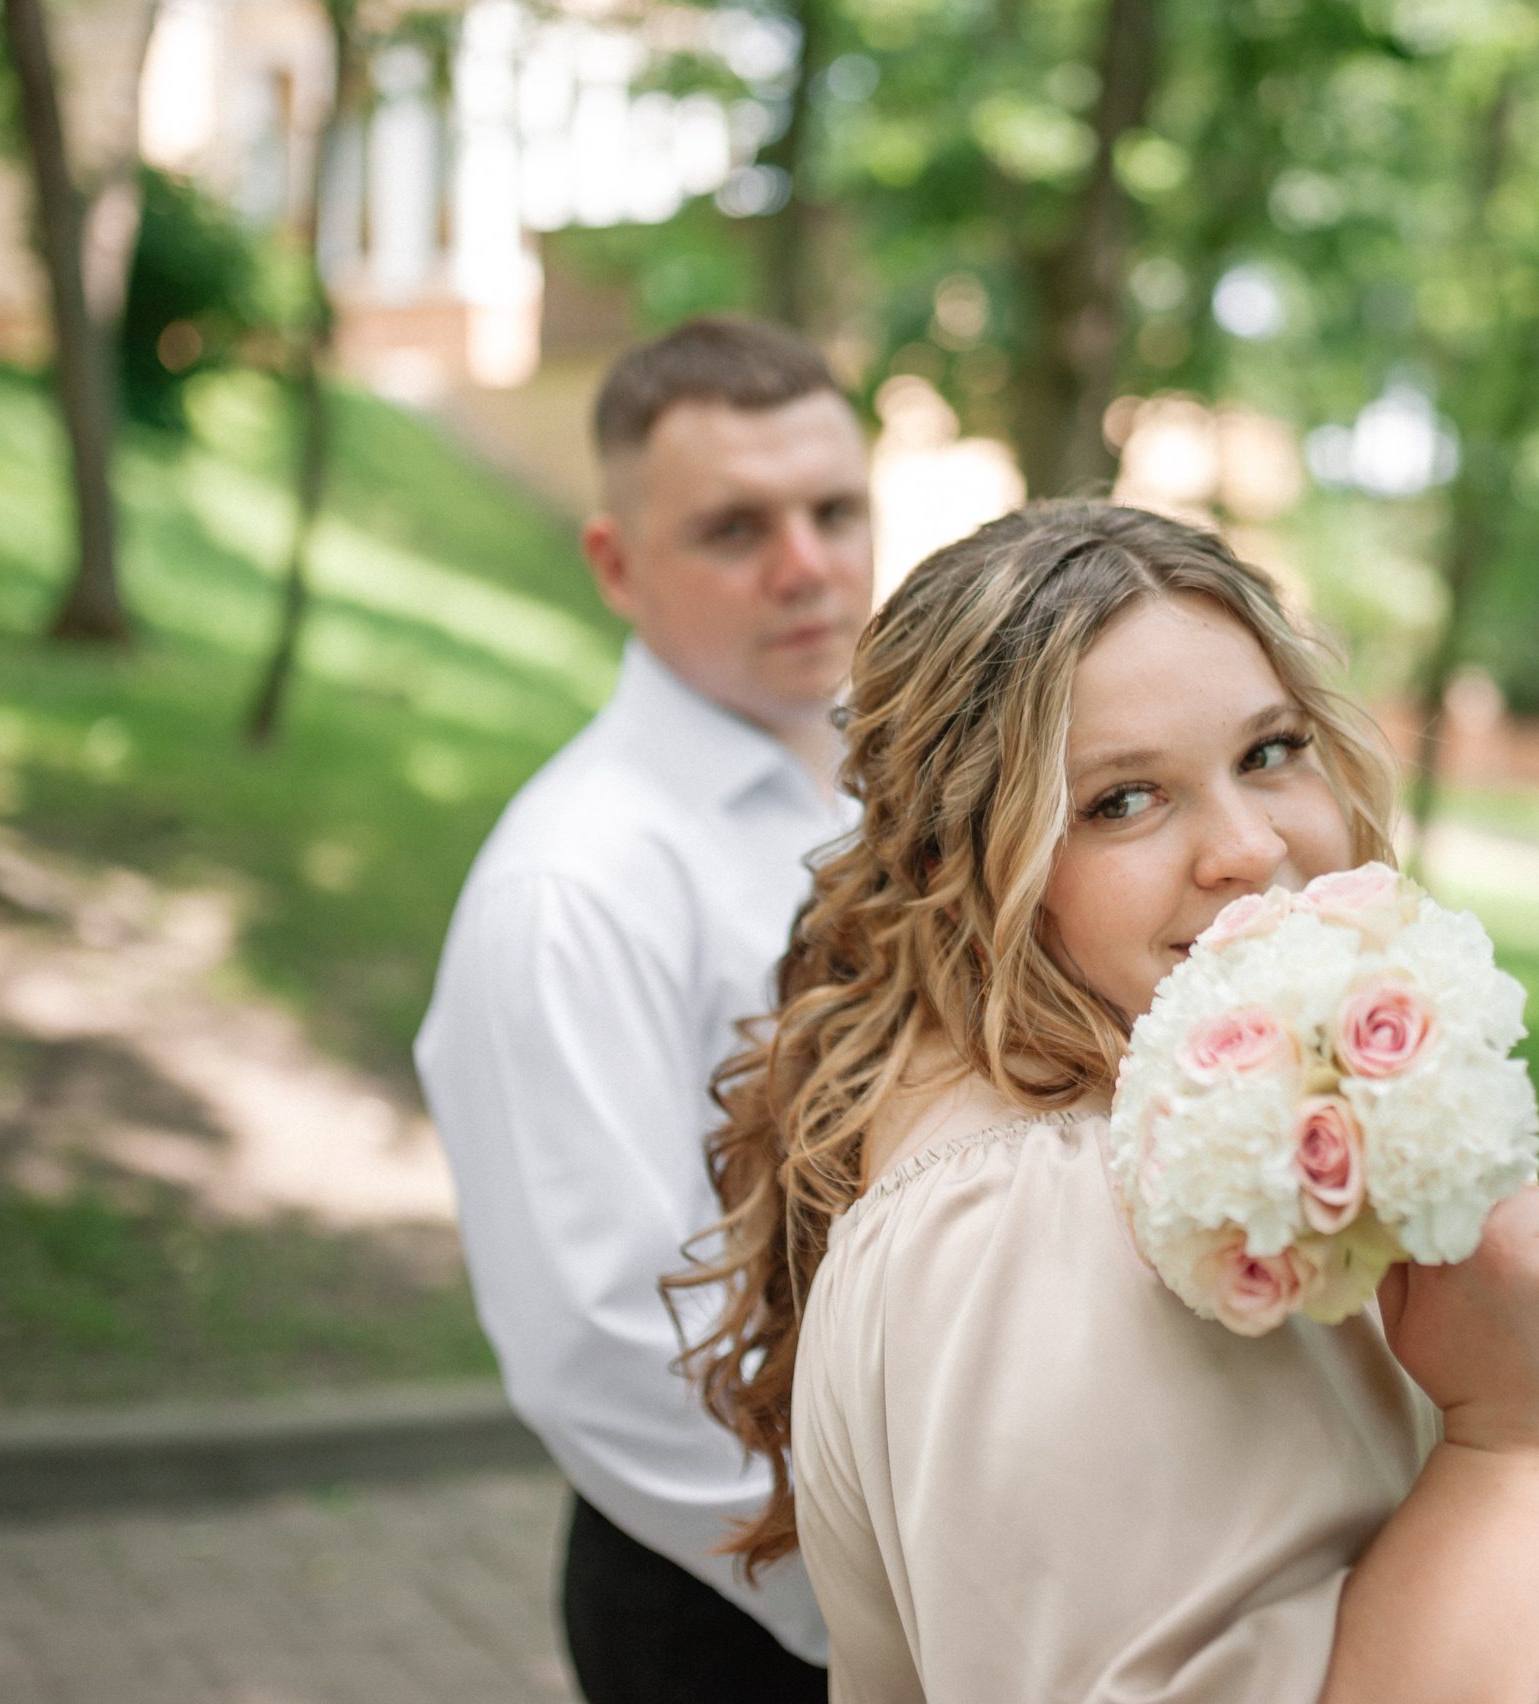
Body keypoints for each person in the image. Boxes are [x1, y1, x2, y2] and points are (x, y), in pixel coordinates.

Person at [678, 503, 1539, 1703]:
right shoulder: (1038, 1219)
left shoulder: (1187, 1119)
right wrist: (1524, 1441)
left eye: (1270, 751)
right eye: (1122, 800)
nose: (1246, 846)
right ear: (958, 865)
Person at [415, 316, 873, 1704]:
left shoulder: (894, 785)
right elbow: (605, 1342)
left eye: (834, 509)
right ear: (615, 562)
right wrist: (873, 1618)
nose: (806, 565)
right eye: (735, 529)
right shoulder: (572, 884)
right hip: (741, 1605)